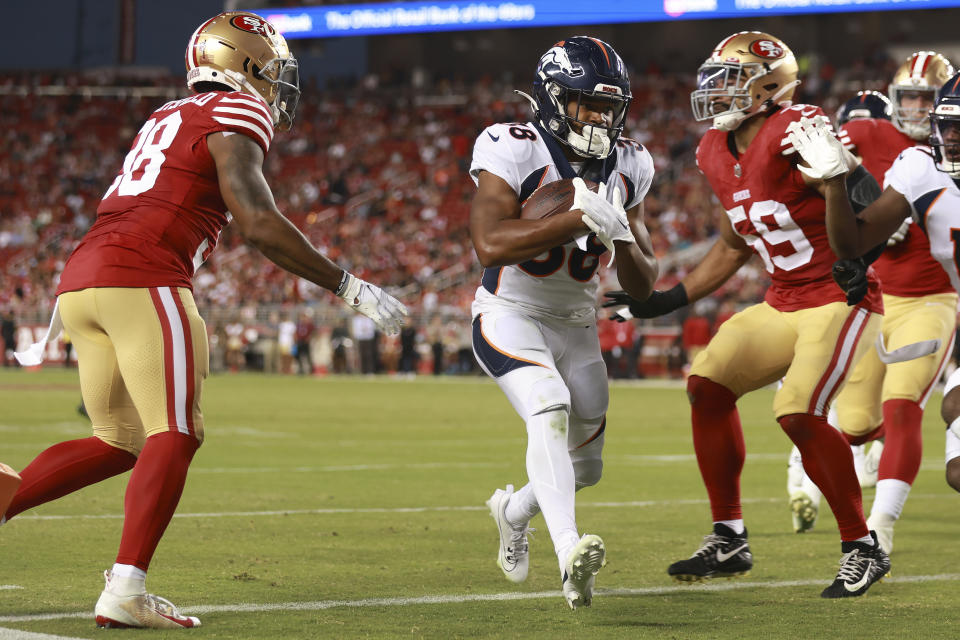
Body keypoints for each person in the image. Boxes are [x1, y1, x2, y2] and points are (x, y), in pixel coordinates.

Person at [1, 11, 406, 630]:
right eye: (272, 70)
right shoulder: (238, 111)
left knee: (120, 442)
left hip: (82, 278)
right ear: (242, 65)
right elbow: (259, 222)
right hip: (144, 272)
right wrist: (348, 286)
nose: (278, 85)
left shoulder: (167, 114)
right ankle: (126, 588)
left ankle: (4, 498)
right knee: (176, 431)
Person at [603, 31, 890, 598]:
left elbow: (869, 205)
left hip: (840, 296)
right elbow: (736, 245)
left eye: (730, 79)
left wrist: (862, 254)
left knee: (798, 412)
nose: (715, 91)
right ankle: (729, 536)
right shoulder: (714, 150)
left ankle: (863, 546)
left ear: (768, 86)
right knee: (706, 386)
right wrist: (668, 299)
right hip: (784, 298)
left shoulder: (797, 127)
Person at [470, 36, 658, 609]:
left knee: (588, 467)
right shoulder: (513, 145)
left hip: (577, 324)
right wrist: (575, 218)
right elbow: (489, 242)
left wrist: (621, 235)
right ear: (553, 99)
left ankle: (512, 510)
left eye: (609, 106)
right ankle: (570, 551)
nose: (600, 118)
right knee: (547, 406)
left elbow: (644, 282)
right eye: (587, 104)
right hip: (510, 312)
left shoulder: (631, 162)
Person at [786, 52, 956, 550]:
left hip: (933, 299)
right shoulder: (875, 138)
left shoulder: (944, 154)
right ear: (896, 100)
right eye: (911, 97)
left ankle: (878, 532)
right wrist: (870, 206)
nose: (920, 107)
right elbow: (816, 182)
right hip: (878, 298)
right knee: (857, 424)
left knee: (905, 406)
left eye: (930, 98)